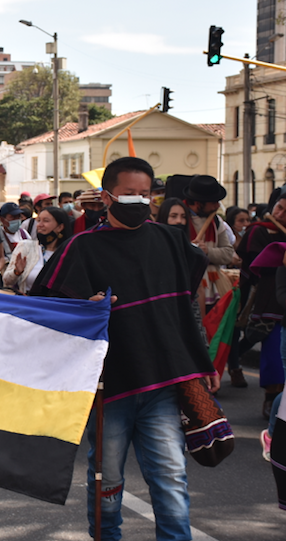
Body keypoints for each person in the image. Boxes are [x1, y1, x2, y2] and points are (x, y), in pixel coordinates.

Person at [30, 157, 217, 541]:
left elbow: (185, 309)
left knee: (171, 477)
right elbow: (46, 309)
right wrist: (86, 304)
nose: (139, 201)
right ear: (107, 196)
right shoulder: (81, 247)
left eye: (145, 195)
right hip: (108, 388)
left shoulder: (171, 241)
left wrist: (203, 362)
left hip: (163, 383)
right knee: (108, 481)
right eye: (129, 194)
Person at [234, 194, 286, 415]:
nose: (279, 214)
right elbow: (255, 260)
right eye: (279, 208)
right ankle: (271, 397)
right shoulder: (259, 230)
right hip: (270, 295)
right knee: (273, 349)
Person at [183, 175, 236, 315]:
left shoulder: (216, 221)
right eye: (213, 202)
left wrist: (208, 252)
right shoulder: (179, 217)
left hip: (215, 288)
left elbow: (228, 254)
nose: (217, 206)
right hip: (188, 288)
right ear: (198, 203)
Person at [2, 207, 69, 295]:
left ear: (60, 227)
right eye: (39, 220)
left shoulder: (67, 253)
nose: (39, 225)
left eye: (46, 221)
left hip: (55, 305)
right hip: (29, 303)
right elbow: (7, 281)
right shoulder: (26, 246)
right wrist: (17, 272)